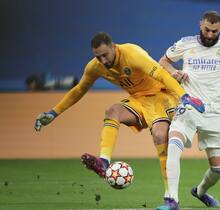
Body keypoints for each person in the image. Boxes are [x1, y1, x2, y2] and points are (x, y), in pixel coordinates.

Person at [34, 32, 204, 199]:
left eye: (105, 55)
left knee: (160, 136)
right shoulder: (95, 67)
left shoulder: (132, 54)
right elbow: (79, 90)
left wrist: (184, 96)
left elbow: (160, 74)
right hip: (138, 100)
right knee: (112, 111)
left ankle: (170, 196)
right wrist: (54, 113)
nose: (103, 60)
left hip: (161, 95)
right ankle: (104, 162)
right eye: (98, 57)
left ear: (113, 47)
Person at [156, 11, 220, 210]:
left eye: (214, 31)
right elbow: (163, 61)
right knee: (173, 144)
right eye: (207, 30)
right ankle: (172, 200)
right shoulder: (185, 43)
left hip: (215, 111)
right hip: (189, 105)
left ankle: (200, 192)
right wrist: (175, 72)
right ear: (201, 25)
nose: (210, 35)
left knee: (219, 169)